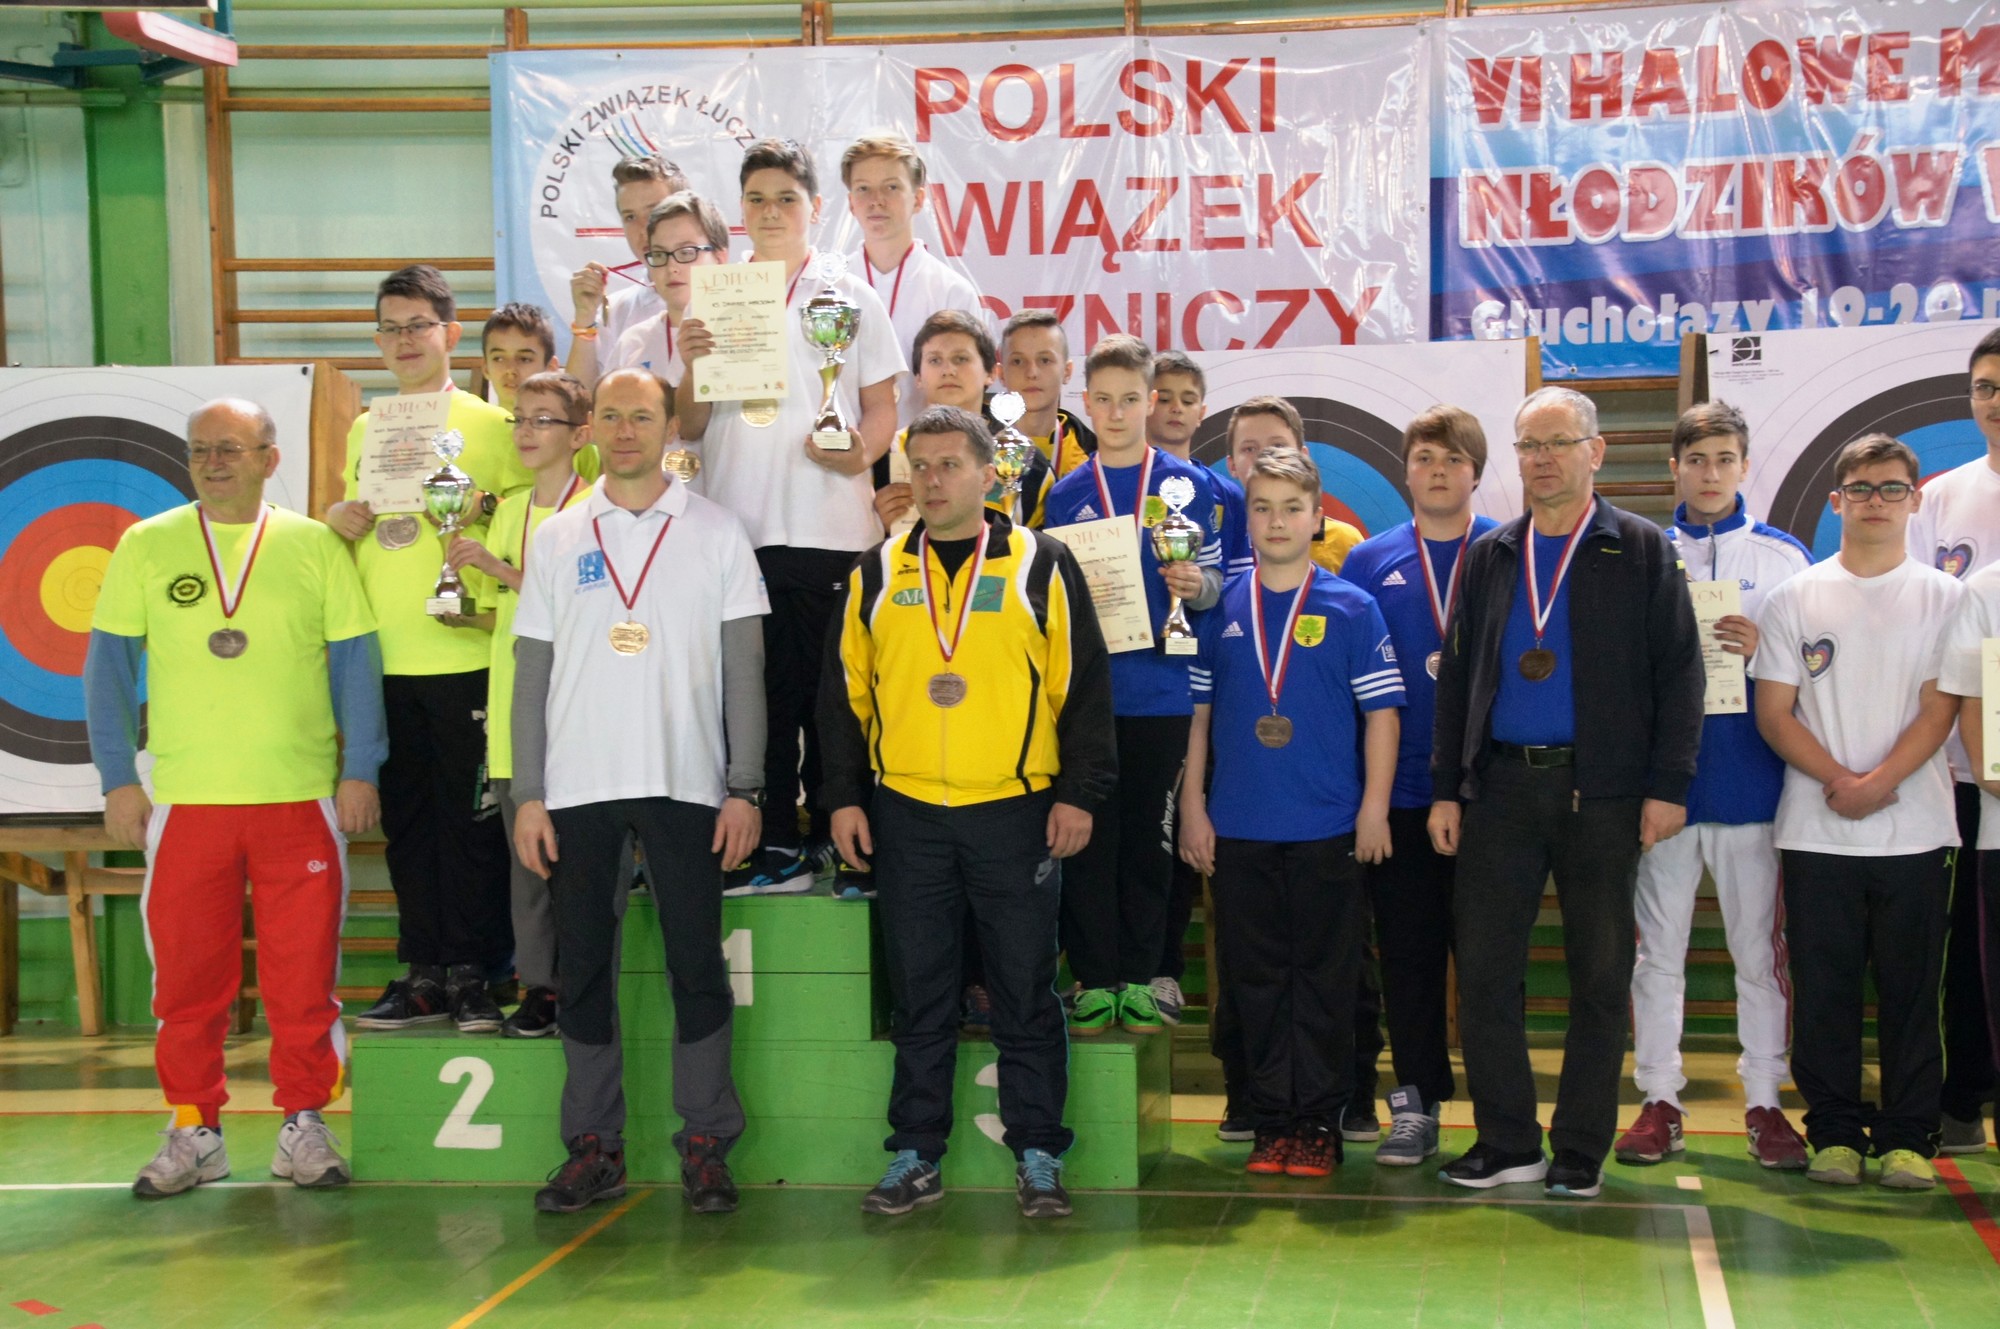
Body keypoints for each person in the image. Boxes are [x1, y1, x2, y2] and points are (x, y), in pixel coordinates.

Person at [86, 397, 385, 1197]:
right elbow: (107, 670)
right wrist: (118, 776)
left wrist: (362, 766)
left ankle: (304, 1122)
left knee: (303, 978)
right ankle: (194, 1127)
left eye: (230, 447)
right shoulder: (146, 544)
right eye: (200, 449)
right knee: (187, 981)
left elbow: (356, 662)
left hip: (299, 798)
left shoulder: (314, 544)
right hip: (188, 803)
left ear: (269, 458)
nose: (212, 462)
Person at [823, 404, 1114, 1220]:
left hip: (1015, 810)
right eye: (920, 465)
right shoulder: (876, 572)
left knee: (1024, 988)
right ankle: (916, 1152)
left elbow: (1083, 684)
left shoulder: (1041, 563)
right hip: (908, 810)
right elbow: (842, 697)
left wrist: (1079, 792)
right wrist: (843, 796)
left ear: (990, 474)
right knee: (921, 992)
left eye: (951, 464)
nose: (933, 479)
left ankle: (1038, 1153)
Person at [1431, 385, 1703, 1200]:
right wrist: (1447, 788)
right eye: (1529, 445)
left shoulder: (1641, 548)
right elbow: (1456, 682)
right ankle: (1507, 1140)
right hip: (1500, 788)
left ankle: (1580, 1146)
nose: (1542, 459)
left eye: (1557, 443)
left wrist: (1668, 786)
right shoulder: (1491, 553)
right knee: (1485, 973)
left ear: (1596, 451)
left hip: (1604, 794)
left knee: (1599, 975)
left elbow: (1681, 674)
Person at [509, 367, 767, 1215]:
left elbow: (745, 671)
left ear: (669, 428)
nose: (626, 431)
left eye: (643, 416)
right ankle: (593, 1144)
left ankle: (706, 1140)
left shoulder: (717, 532)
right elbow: (530, 675)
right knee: (583, 969)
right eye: (612, 415)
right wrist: (530, 792)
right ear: (590, 427)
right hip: (576, 789)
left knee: (696, 964)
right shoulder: (555, 536)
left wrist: (745, 786)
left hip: (688, 784)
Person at [678, 137, 901, 895]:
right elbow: (688, 424)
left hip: (831, 529)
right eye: (757, 199)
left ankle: (847, 841)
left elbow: (881, 406)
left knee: (835, 699)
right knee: (759, 698)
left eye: (786, 198)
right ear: (740, 209)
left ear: (815, 207)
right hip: (738, 531)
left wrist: (860, 454)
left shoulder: (848, 293)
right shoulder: (717, 295)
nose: (770, 212)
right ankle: (774, 841)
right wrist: (691, 362)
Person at [1180, 445, 1402, 1178]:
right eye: (1263, 508)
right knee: (1256, 982)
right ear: (1247, 519)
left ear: (1317, 519)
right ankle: (1274, 1120)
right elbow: (1200, 720)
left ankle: (1319, 1123)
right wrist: (1193, 806)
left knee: (1326, 984)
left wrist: (1374, 809)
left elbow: (1382, 717)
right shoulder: (1219, 608)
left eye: (1292, 508)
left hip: (1327, 829)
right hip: (1240, 827)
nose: (1276, 521)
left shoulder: (1352, 606)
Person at [1757, 433, 1963, 1190]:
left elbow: (1941, 708)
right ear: (1836, 500)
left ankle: (1909, 1137)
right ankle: (1836, 1133)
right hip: (1817, 831)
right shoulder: (1795, 596)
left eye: (1892, 488)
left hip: (1917, 831)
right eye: (1862, 488)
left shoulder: (1946, 597)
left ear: (1915, 499)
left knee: (1912, 993)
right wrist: (1843, 780)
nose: (1877, 501)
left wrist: (1878, 783)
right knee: (1825, 992)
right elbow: (1774, 713)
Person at [1613, 402, 1813, 1170]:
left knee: (1757, 954)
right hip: (1666, 790)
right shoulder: (1640, 553)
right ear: (1674, 467)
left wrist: (1767, 650)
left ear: (1744, 465)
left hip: (1753, 785)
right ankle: (1659, 1099)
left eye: (1725, 458)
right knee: (1656, 955)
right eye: (1696, 459)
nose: (1710, 473)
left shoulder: (1784, 558)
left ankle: (1765, 1101)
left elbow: (1815, 673)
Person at [326, 265, 522, 1034]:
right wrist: (338, 516)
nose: (405, 340)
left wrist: (483, 506)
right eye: (391, 328)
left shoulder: (493, 423)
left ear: (451, 333)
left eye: (419, 325)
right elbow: (363, 525)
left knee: (471, 826)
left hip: (465, 652)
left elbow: (537, 505)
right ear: (378, 341)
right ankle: (422, 970)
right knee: (406, 824)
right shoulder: (365, 428)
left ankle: (475, 970)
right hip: (384, 658)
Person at [1042, 334, 1222, 1035]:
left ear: (1150, 402)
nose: (1116, 413)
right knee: (1090, 840)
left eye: (1129, 399)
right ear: (1086, 403)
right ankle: (1094, 977)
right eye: (1103, 400)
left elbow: (1218, 584)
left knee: (1151, 841)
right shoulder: (1067, 493)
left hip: (1164, 691)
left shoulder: (1190, 485)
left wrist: (1196, 585)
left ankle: (1144, 977)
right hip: (1091, 697)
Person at [1335, 405, 1498, 1166]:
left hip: (1489, 795)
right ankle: (1417, 1106)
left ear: (1476, 472)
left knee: (1490, 966)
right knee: (1407, 960)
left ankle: (1501, 1118)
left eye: (1453, 459)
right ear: (1405, 471)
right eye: (1425, 457)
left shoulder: (1506, 549)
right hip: (1400, 796)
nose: (1438, 471)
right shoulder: (1369, 561)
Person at [444, 371, 593, 1039]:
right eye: (519, 419)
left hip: (577, 717)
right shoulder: (508, 511)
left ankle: (584, 985)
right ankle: (540, 988)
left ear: (580, 436)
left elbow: (576, 602)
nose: (526, 431)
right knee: (526, 867)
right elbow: (509, 615)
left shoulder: (596, 511)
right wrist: (462, 609)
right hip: (513, 716)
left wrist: (499, 570)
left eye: (543, 419)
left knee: (582, 868)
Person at [1904, 326, 2000, 1153]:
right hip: (1966, 769)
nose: (1996, 401)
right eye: (1985, 386)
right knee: (1968, 947)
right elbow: (1913, 616)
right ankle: (1964, 1097)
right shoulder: (1940, 498)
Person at [841, 132, 986, 427]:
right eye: (863, 189)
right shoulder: (828, 290)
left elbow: (968, 399)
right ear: (851, 203)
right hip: (843, 449)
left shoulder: (953, 292)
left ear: (918, 199)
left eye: (891, 187)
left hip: (925, 450)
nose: (876, 201)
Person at [565, 154, 689, 389]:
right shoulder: (616, 311)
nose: (643, 229)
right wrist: (584, 318)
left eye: (654, 212)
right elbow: (579, 399)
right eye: (630, 217)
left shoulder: (726, 296)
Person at [605, 190, 731, 397]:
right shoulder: (633, 343)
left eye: (686, 252)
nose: (671, 267)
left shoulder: (746, 335)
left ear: (720, 258)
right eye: (659, 254)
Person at [1225, 396, 1363, 574]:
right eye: (1250, 448)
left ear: (1303, 456)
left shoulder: (1344, 543)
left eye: (1278, 446)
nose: (1265, 456)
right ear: (1232, 465)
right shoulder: (1218, 541)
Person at [1000, 309, 1097, 480]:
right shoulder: (979, 450)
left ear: (1067, 371)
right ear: (1001, 374)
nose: (1032, 373)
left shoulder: (1094, 456)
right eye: (1018, 361)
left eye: (1045, 360)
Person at [482, 302, 559, 414]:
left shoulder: (566, 425)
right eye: (498, 358)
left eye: (524, 359)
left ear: (550, 368)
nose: (510, 370)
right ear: (486, 368)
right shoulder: (469, 423)